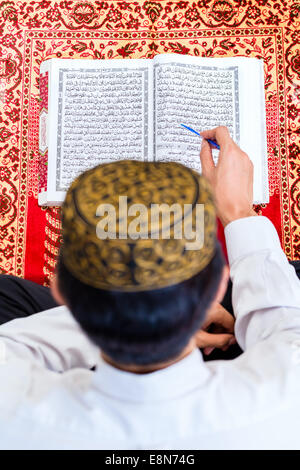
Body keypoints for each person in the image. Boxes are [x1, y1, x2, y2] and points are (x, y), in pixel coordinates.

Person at [0, 126, 300, 450]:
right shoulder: (288, 394)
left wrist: (140, 318)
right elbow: (284, 326)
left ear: (59, 287)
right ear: (216, 288)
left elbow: (11, 345)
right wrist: (238, 212)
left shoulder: (11, 408)